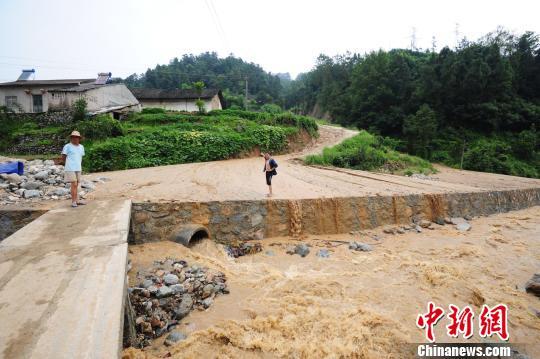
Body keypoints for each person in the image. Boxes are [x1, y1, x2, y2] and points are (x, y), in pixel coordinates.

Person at [61, 130, 85, 208]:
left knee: (77, 184)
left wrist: (79, 165)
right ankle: (73, 202)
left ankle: (77, 201)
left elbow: (80, 157)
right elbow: (63, 157)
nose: (75, 139)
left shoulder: (81, 147)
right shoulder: (67, 146)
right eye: (73, 137)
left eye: (77, 137)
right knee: (74, 184)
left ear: (79, 138)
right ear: (71, 138)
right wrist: (67, 164)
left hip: (78, 167)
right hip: (70, 168)